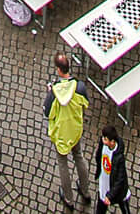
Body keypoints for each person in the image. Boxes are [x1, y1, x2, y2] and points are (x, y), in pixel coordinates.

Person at [46, 52, 94, 209]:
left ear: (58, 70)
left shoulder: (54, 92)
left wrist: (49, 92)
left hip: (61, 133)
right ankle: (85, 191)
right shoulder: (79, 87)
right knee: (79, 157)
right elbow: (85, 104)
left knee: (63, 163)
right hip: (75, 130)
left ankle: (69, 198)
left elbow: (48, 113)